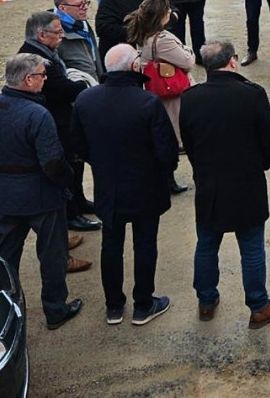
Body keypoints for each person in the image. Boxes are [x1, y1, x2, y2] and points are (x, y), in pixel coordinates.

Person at [0, 52, 85, 330]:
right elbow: (53, 162)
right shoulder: (38, 114)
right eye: (42, 75)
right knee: (52, 256)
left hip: (7, 196)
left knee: (6, 253)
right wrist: (67, 182)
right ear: (29, 79)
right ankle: (55, 310)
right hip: (43, 196)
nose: (45, 80)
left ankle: (1, 307)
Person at [180, 41, 270, 328]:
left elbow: (189, 142)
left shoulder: (190, 98)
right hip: (246, 183)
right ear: (232, 61)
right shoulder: (251, 95)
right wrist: (262, 165)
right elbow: (269, 138)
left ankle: (206, 300)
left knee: (206, 244)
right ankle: (259, 305)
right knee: (251, 247)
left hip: (209, 184)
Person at [72, 43, 180, 327]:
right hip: (145, 187)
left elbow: (77, 144)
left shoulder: (86, 100)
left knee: (111, 244)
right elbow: (166, 151)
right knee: (145, 245)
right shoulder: (147, 102)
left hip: (109, 186)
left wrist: (100, 163)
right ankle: (143, 304)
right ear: (134, 67)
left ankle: (114, 306)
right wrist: (162, 169)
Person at [18, 11, 99, 235]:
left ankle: (80, 201)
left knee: (77, 162)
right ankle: (72, 213)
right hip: (55, 121)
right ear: (42, 35)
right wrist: (82, 85)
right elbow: (59, 89)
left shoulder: (46, 51)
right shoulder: (34, 59)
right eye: (58, 32)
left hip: (64, 118)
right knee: (67, 166)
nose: (61, 36)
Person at [127, 0, 193, 194]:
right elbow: (187, 62)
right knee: (174, 135)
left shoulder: (143, 33)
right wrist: (188, 50)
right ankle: (168, 180)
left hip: (155, 90)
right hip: (171, 94)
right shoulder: (162, 40)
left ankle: (166, 178)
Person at [54, 0, 102, 84]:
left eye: (86, 2)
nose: (86, 8)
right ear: (62, 8)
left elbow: (94, 56)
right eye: (79, 5)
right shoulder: (53, 33)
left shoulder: (81, 21)